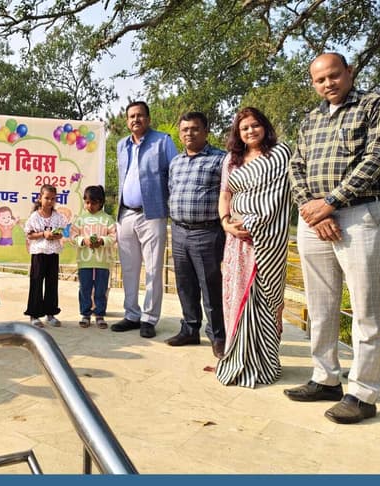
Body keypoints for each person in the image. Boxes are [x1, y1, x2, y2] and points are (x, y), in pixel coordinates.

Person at [285, 52, 380, 424]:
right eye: (320, 80)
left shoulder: (375, 105)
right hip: (314, 218)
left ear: (349, 72)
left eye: (334, 75)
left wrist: (331, 202)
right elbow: (296, 166)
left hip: (358, 214)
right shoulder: (310, 119)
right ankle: (325, 377)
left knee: (365, 308)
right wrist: (311, 208)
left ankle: (363, 394)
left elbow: (378, 157)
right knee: (321, 304)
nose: (327, 83)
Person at [215, 107, 292, 387]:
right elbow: (225, 195)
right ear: (238, 132)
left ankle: (265, 362)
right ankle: (237, 357)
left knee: (264, 299)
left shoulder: (280, 155)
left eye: (255, 125)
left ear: (265, 126)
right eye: (244, 127)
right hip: (236, 241)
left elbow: (279, 196)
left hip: (267, 240)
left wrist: (254, 222)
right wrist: (226, 223)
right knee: (237, 296)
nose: (250, 131)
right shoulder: (231, 160)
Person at [111, 101, 177, 338]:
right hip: (126, 213)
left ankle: (149, 318)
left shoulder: (163, 141)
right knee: (129, 268)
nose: (135, 120)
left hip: (152, 213)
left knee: (153, 268)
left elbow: (175, 174)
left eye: (140, 115)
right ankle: (131, 314)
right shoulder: (122, 145)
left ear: (148, 119)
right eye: (131, 116)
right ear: (127, 121)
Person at [166, 112, 227, 358]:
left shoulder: (220, 159)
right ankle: (190, 329)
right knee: (185, 285)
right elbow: (171, 190)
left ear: (205, 131)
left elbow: (229, 194)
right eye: (184, 129)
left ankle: (218, 336)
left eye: (194, 129)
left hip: (207, 232)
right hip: (179, 230)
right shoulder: (176, 162)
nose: (189, 133)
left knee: (210, 286)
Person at [70, 185, 116, 329]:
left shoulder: (107, 219)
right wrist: (84, 241)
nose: (90, 206)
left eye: (94, 203)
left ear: (101, 202)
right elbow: (72, 237)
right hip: (84, 262)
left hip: (103, 262)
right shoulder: (80, 219)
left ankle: (100, 315)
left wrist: (102, 241)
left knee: (101, 289)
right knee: (85, 288)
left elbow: (114, 237)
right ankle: (85, 314)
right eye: (87, 202)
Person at [23, 184, 67, 328]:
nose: (50, 201)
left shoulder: (58, 217)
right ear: (40, 198)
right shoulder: (35, 216)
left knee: (52, 283)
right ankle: (34, 315)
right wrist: (43, 234)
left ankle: (50, 313)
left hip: (53, 253)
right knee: (36, 282)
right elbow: (29, 234)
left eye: (53, 199)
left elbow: (61, 233)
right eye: (47, 198)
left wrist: (56, 235)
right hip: (39, 253)